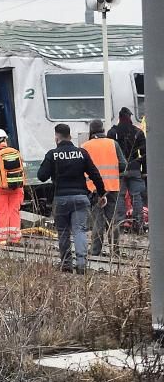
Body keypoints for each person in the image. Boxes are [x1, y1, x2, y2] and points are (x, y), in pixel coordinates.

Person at [38, 123, 106, 274]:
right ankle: (81, 265)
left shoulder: (52, 154)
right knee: (80, 231)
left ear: (57, 137)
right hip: (81, 198)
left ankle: (66, 264)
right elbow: (95, 174)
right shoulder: (82, 153)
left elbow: (41, 176)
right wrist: (102, 193)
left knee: (63, 232)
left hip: (61, 198)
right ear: (70, 136)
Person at [82, 119, 126, 256]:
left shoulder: (85, 146)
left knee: (97, 220)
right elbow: (123, 165)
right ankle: (116, 251)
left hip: (93, 188)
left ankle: (95, 250)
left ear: (91, 131)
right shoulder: (113, 143)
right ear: (103, 130)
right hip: (112, 187)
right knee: (113, 220)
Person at [108, 107, 147, 232]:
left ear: (119, 117)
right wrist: (143, 169)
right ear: (130, 117)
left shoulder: (112, 132)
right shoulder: (138, 132)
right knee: (137, 196)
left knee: (119, 196)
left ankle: (119, 225)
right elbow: (146, 153)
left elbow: (110, 152)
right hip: (135, 168)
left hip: (118, 169)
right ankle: (139, 225)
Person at [0, 129, 26, 245]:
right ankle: (15, 238)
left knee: (2, 213)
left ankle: (2, 240)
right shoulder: (15, 152)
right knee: (14, 211)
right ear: (5, 140)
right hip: (16, 188)